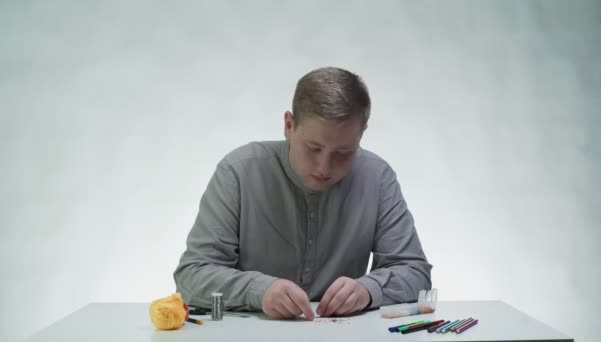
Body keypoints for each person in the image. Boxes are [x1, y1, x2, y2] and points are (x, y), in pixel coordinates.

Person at [174, 66, 432, 321]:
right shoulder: (238, 171)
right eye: (313, 147)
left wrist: (369, 289)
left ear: (361, 133)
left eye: (343, 153)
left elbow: (416, 273)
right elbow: (192, 275)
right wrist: (259, 291)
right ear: (289, 125)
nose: (324, 167)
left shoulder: (378, 177)